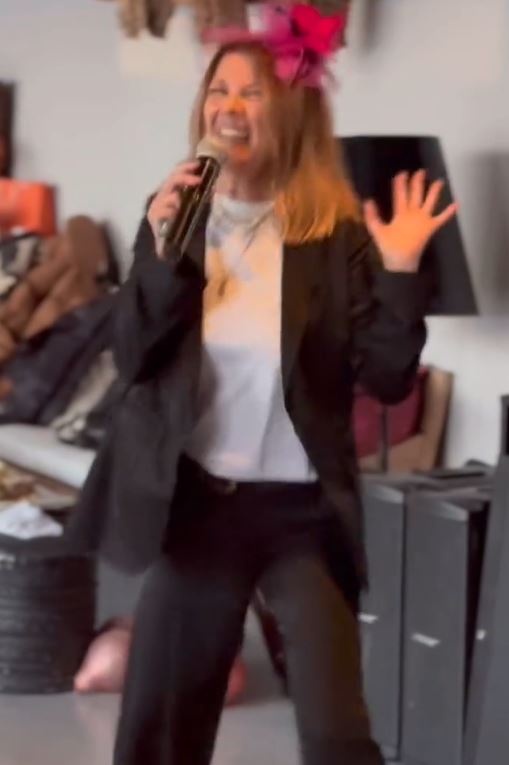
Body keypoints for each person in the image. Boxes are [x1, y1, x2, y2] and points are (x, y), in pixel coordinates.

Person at [69, 4, 458, 764]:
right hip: (200, 510)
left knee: (337, 732)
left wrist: (402, 270)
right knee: (160, 734)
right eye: (219, 91)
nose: (230, 107)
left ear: (290, 111)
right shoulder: (177, 218)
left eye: (251, 92)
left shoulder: (333, 236)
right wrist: (160, 251)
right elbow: (134, 356)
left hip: (301, 518)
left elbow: (386, 380)